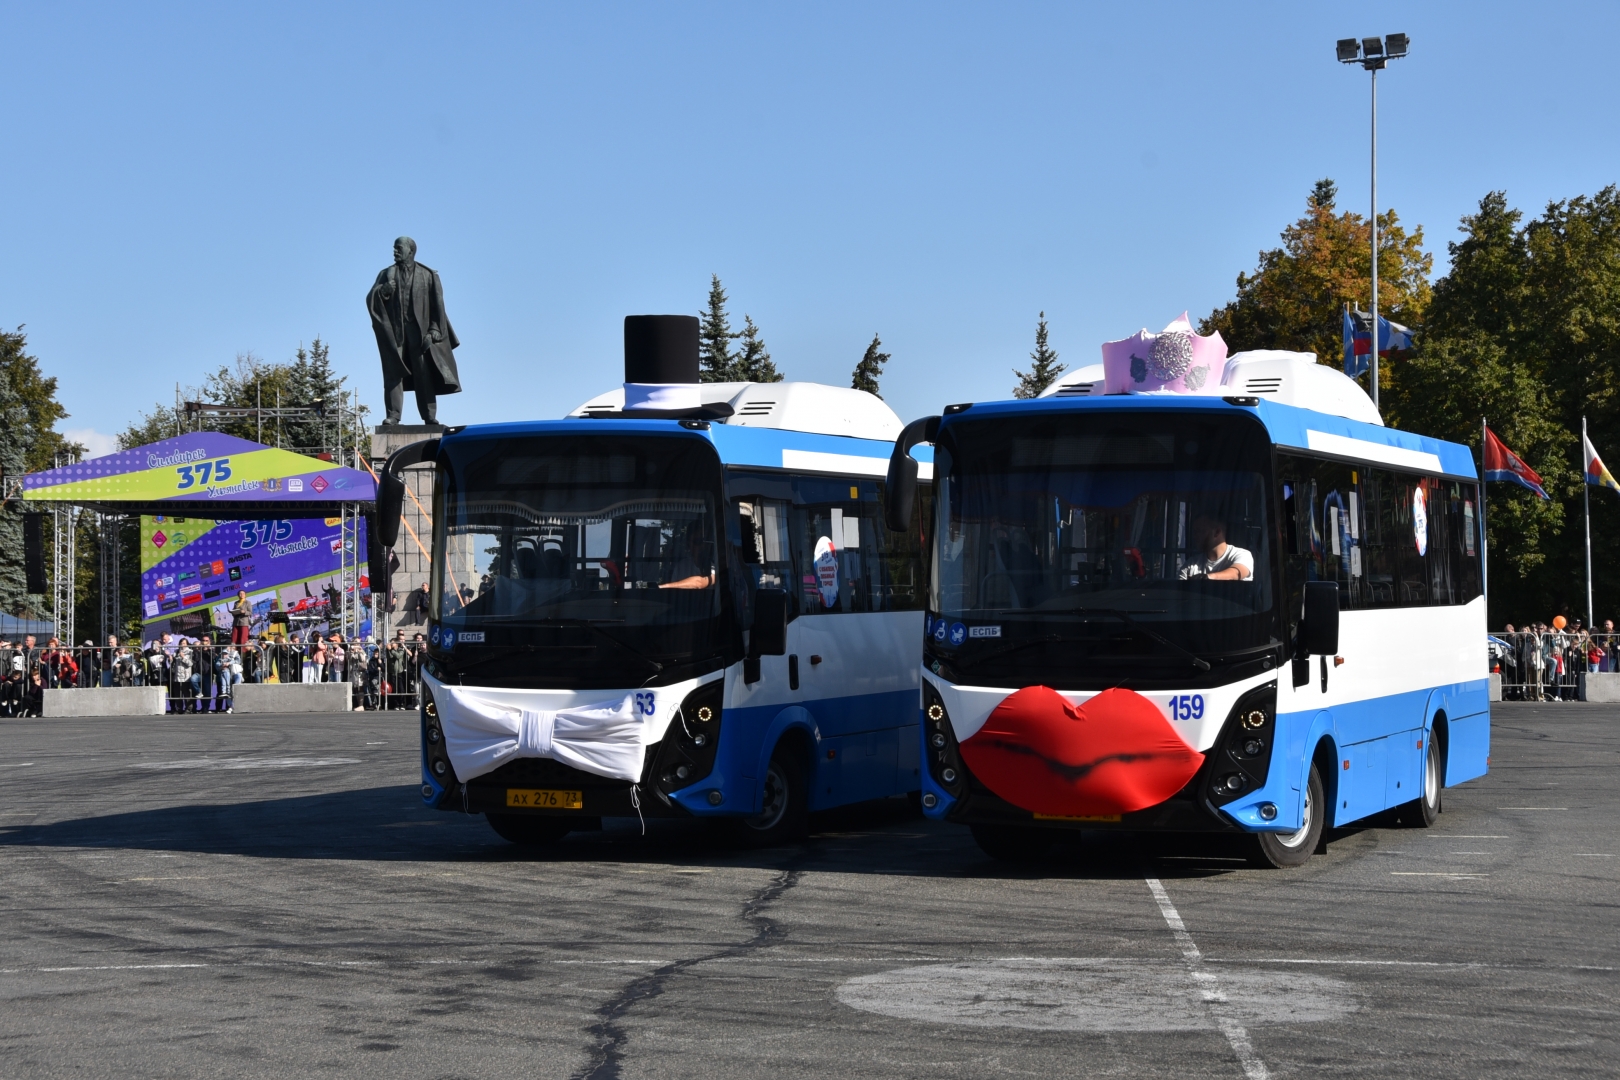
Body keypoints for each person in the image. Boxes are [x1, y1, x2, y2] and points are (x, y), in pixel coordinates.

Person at [1178, 515, 1254, 581]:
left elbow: (1236, 573)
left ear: (1217, 532)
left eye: (1200, 531)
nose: (1195, 536)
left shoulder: (1242, 555)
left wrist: (1207, 577)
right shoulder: (1190, 564)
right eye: (1195, 532)